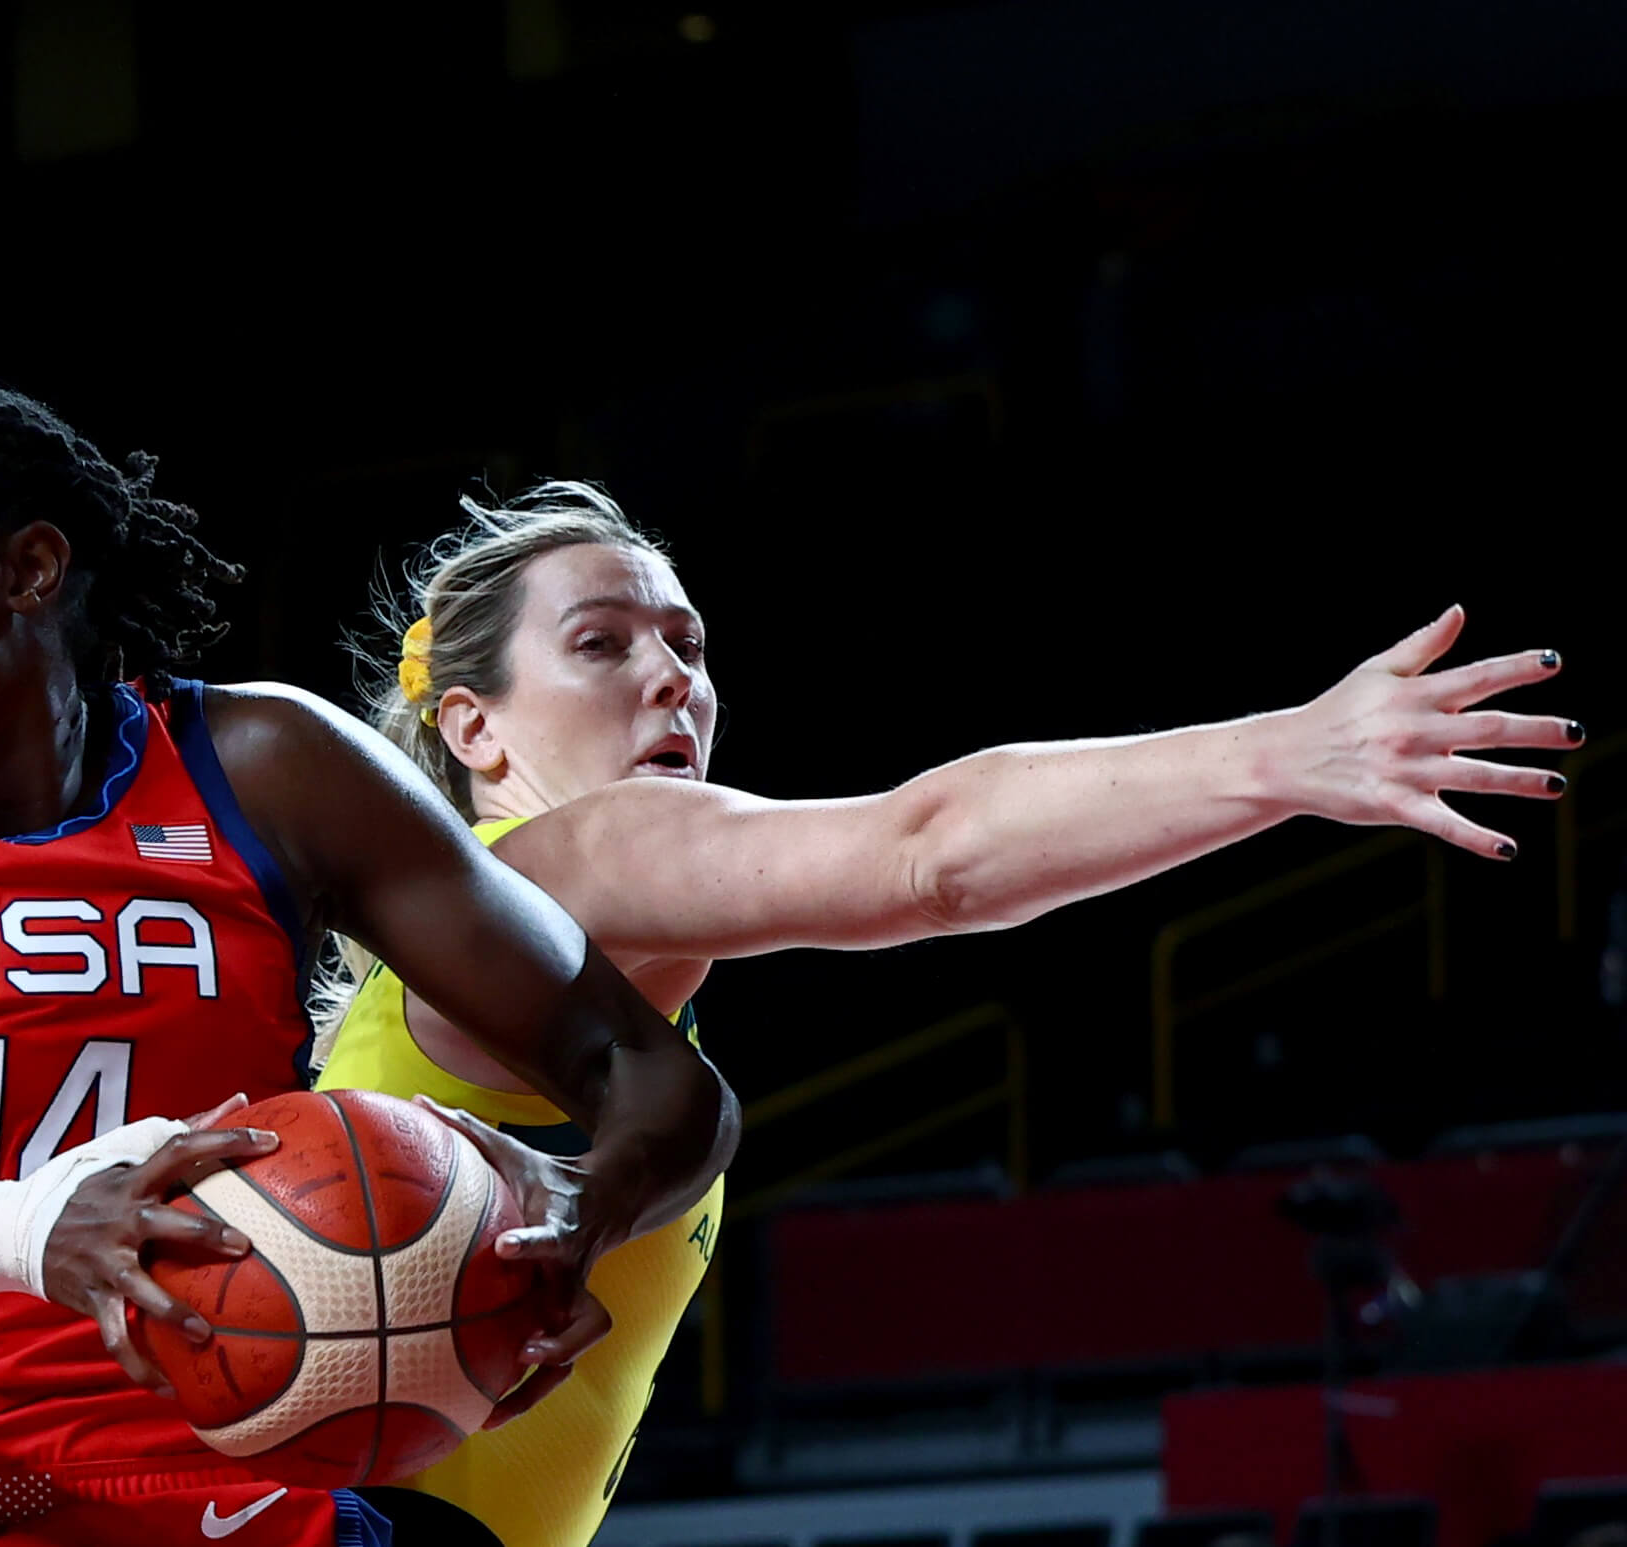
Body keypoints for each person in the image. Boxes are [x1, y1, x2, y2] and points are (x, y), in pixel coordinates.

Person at [314, 481, 1583, 1547]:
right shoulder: (562, 866)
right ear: (473, 727)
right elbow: (928, 852)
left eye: (688, 645)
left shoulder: (504, 953)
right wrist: (1291, 754)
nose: (670, 680)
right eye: (602, 644)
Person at [0, 379, 739, 1547]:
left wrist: (574, 1208)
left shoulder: (266, 767)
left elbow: (658, 1082)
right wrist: (11, 1230)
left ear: (29, 568)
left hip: (242, 1507)